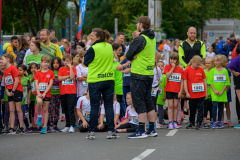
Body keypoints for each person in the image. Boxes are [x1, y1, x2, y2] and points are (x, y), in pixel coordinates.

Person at [84, 28, 118, 140]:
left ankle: (92, 132)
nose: (90, 37)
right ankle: (111, 131)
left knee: (95, 106)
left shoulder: (93, 48)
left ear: (98, 37)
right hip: (108, 79)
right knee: (109, 106)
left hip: (95, 80)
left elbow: (86, 62)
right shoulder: (109, 46)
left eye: (92, 35)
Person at [126, 16, 157, 138]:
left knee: (139, 101)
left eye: (137, 23)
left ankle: (141, 130)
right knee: (148, 101)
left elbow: (128, 54)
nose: (137, 25)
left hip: (139, 74)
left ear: (141, 24)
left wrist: (134, 55)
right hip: (149, 74)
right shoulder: (152, 38)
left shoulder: (140, 39)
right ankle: (151, 129)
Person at [183, 56, 207, 129]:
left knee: (200, 108)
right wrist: (187, 92)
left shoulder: (201, 70)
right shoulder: (187, 70)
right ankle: (191, 122)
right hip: (192, 94)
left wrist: (206, 92)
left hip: (201, 93)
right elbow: (185, 81)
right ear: (192, 62)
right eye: (197, 64)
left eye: (199, 65)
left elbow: (204, 80)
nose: (198, 66)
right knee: (192, 108)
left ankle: (199, 123)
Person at [2, 54, 24, 134]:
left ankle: (21, 127)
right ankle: (12, 127)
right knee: (11, 109)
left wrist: (13, 91)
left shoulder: (13, 68)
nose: (1, 61)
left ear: (7, 59)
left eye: (3, 59)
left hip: (17, 90)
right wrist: (8, 91)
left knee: (18, 109)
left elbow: (17, 80)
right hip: (10, 90)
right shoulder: (5, 70)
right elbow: (6, 82)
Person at [208, 55, 230, 129]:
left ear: (221, 61)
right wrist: (214, 90)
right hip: (214, 91)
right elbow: (210, 82)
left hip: (222, 92)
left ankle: (220, 121)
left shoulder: (225, 70)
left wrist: (222, 91)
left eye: (217, 61)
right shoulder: (212, 70)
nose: (215, 62)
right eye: (214, 61)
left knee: (221, 106)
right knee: (214, 106)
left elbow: (226, 82)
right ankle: (214, 122)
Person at [34, 55, 54, 134]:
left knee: (45, 109)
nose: (46, 64)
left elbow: (50, 83)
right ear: (41, 63)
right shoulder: (38, 72)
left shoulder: (50, 72)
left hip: (47, 93)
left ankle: (44, 127)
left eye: (48, 63)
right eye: (45, 62)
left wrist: (45, 92)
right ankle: (39, 116)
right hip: (39, 92)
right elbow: (36, 83)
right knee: (39, 102)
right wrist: (38, 92)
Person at [164, 52, 183, 129]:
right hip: (169, 89)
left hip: (177, 90)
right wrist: (172, 68)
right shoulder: (167, 67)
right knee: (170, 105)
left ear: (177, 60)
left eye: (174, 60)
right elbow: (167, 76)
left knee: (176, 106)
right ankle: (170, 122)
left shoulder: (180, 69)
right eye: (171, 59)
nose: (172, 61)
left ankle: (175, 121)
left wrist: (181, 91)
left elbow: (182, 81)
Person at [58, 54, 77, 133]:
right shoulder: (61, 69)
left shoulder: (73, 68)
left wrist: (70, 68)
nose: (66, 62)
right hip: (63, 91)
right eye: (65, 61)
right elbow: (59, 78)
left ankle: (72, 125)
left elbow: (72, 77)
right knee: (65, 109)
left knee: (71, 108)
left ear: (71, 61)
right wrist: (67, 76)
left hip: (71, 91)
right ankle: (67, 125)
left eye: (68, 61)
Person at [227, 43, 240, 128]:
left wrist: (234, 72)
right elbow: (229, 67)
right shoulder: (237, 59)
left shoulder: (237, 59)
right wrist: (234, 72)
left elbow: (229, 67)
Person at [48, 57, 62, 132]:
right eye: (54, 63)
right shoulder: (50, 71)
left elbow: (59, 81)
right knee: (50, 109)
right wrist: (57, 80)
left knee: (57, 109)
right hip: (51, 93)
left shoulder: (61, 71)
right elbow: (51, 81)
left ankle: (55, 125)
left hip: (59, 93)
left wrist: (56, 80)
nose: (55, 65)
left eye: (57, 63)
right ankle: (48, 125)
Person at [221, 55, 233, 127]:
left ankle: (229, 120)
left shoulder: (227, 69)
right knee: (221, 106)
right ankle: (222, 120)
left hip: (227, 89)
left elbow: (229, 79)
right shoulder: (218, 69)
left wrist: (228, 87)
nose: (227, 63)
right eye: (226, 62)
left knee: (227, 105)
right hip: (220, 89)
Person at [17, 64, 30, 132]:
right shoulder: (16, 79)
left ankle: (27, 126)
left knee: (22, 113)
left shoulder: (27, 79)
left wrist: (28, 99)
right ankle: (20, 127)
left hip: (24, 100)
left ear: (25, 71)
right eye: (18, 70)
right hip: (17, 99)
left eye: (20, 70)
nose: (19, 71)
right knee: (18, 113)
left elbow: (29, 89)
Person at [27, 62, 39, 132]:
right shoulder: (29, 76)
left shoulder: (39, 74)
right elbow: (28, 83)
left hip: (37, 95)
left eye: (35, 68)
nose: (33, 69)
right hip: (30, 96)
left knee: (37, 110)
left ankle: (37, 123)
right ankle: (32, 124)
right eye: (32, 68)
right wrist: (32, 78)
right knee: (31, 110)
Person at [112, 51, 125, 119]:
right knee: (122, 103)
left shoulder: (112, 66)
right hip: (121, 86)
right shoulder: (118, 64)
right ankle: (125, 118)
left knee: (118, 105)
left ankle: (122, 118)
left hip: (116, 87)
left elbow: (112, 79)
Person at [202, 57, 214, 128]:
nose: (207, 64)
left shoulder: (213, 71)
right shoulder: (203, 71)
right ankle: (204, 122)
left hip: (212, 92)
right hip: (205, 91)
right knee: (205, 107)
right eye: (206, 63)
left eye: (209, 63)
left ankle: (212, 121)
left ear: (212, 63)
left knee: (212, 107)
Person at [156, 61, 167, 129]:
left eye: (162, 66)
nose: (160, 67)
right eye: (158, 66)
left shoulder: (164, 76)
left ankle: (160, 122)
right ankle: (155, 121)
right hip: (154, 94)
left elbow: (166, 86)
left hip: (161, 95)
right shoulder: (154, 75)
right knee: (154, 109)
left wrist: (165, 95)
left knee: (160, 109)